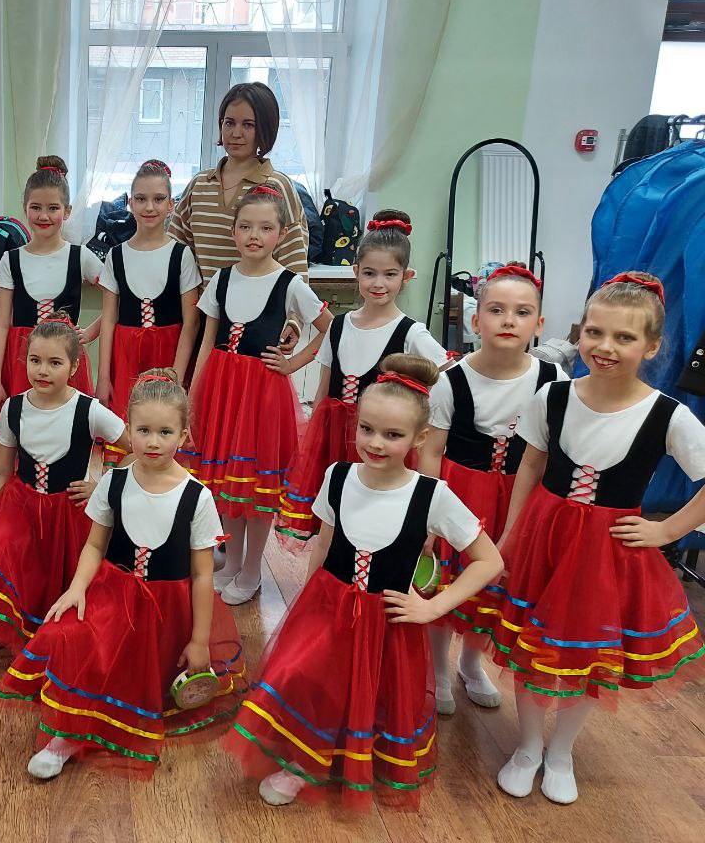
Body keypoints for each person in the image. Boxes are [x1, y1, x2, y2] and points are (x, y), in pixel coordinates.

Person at [224, 355, 503, 810]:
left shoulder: (432, 495)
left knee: (371, 691)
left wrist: (434, 607)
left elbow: (489, 561)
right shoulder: (337, 476)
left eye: (393, 435)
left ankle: (352, 751)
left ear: (419, 438)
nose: (375, 443)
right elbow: (324, 544)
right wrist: (304, 606)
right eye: (367, 429)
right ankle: (302, 762)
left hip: (387, 620)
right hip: (328, 606)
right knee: (310, 680)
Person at [491, 272, 705, 805]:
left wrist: (667, 530)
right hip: (545, 540)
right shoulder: (553, 395)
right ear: (580, 331)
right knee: (530, 645)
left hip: (607, 554)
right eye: (595, 332)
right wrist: (511, 535)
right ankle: (528, 746)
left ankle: (562, 751)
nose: (605, 347)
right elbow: (531, 464)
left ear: (652, 346)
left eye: (624, 337)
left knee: (588, 652)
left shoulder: (668, 415)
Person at [0, 370, 245, 779]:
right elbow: (95, 545)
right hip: (113, 594)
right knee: (72, 639)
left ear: (183, 436)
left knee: (133, 675)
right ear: (128, 430)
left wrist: (199, 640)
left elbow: (203, 576)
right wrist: (77, 588)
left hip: (167, 611)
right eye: (143, 430)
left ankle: (98, 720)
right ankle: (65, 735)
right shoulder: (113, 482)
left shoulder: (197, 496)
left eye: (165, 432)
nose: (153, 441)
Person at [0, 314, 128, 672]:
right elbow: (1, 469)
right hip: (20, 503)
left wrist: (104, 484)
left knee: (67, 576)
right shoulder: (14, 407)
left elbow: (136, 449)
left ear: (74, 367)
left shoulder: (90, 410)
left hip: (68, 511)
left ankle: (50, 630)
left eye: (55, 363)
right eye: (35, 360)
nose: (43, 371)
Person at [417, 263, 564, 716]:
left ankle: (470, 663)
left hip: (520, 501)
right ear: (475, 319)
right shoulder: (450, 380)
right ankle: (439, 669)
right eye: (496, 310)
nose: (508, 320)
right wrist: (427, 516)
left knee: (495, 587)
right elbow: (431, 451)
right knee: (450, 579)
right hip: (460, 497)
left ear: (538, 324)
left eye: (522, 312)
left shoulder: (553, 380)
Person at [189, 186, 332, 605]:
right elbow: (206, 342)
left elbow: (331, 329)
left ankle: (252, 570)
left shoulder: (290, 284)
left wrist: (293, 363)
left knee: (256, 486)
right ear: (233, 231)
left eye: (266, 228)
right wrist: (193, 397)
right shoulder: (221, 279)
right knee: (226, 485)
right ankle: (232, 563)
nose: (255, 235)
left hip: (262, 397)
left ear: (281, 233)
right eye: (246, 226)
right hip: (221, 391)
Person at [279, 210, 448, 542]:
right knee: (334, 517)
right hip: (332, 438)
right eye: (369, 273)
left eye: (390, 274)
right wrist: (313, 441)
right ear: (356, 272)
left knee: (372, 519)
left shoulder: (411, 332)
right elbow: (325, 388)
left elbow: (446, 373)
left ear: (406, 276)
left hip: (379, 441)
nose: (378, 283)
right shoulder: (339, 325)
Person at [0, 157, 104, 410]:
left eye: (53, 208)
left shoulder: (80, 256)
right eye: (36, 207)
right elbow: (2, 324)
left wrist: (92, 331)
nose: (44, 216)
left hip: (65, 361)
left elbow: (118, 298)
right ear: (25, 208)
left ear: (67, 211)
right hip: (22, 363)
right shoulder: (10, 260)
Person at [168, 81, 308, 282]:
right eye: (229, 122)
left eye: (248, 125)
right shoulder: (199, 185)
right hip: (203, 302)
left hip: (260, 302)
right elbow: (177, 257)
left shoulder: (277, 186)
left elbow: (294, 269)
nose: (236, 133)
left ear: (265, 129)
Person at [97, 158, 200, 421]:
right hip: (126, 359)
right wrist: (104, 377)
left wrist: (176, 376)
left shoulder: (182, 255)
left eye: (158, 199)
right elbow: (108, 319)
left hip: (169, 358)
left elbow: (191, 323)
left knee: (165, 425)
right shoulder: (116, 256)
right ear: (130, 203)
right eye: (141, 199)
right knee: (128, 426)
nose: (150, 207)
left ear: (170, 205)